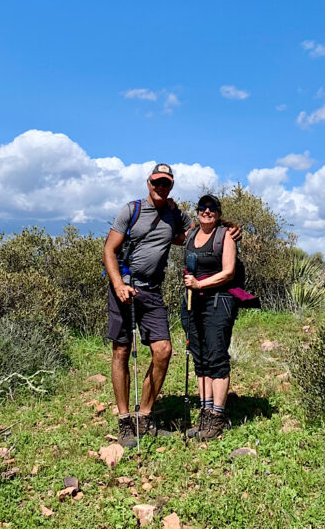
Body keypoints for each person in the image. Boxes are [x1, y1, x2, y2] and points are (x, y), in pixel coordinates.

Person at [103, 164, 238, 448]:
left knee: (163, 350)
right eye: (156, 182)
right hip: (125, 287)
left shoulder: (175, 215)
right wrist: (118, 284)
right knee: (122, 350)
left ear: (171, 185)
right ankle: (125, 420)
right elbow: (109, 249)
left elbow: (199, 230)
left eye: (166, 183)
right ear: (149, 182)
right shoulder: (132, 210)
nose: (160, 187)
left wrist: (229, 229)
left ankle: (145, 416)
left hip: (152, 292)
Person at [181, 193, 238, 441]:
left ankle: (217, 417)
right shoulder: (191, 234)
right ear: (197, 211)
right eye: (203, 207)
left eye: (212, 208)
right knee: (200, 358)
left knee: (216, 358)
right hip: (193, 304)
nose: (207, 211)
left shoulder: (225, 236)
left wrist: (199, 284)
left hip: (218, 302)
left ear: (218, 212)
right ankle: (204, 411)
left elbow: (228, 273)